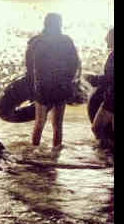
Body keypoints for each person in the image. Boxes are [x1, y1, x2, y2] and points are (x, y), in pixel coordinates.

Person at [27, 13, 80, 147]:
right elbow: (75, 63)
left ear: (45, 24)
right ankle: (55, 154)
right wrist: (69, 80)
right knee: (58, 124)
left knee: (39, 122)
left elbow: (28, 65)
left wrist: (31, 86)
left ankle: (33, 154)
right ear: (59, 24)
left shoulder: (36, 41)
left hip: (42, 86)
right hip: (60, 85)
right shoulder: (66, 41)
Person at [90, 28, 114, 143]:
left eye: (108, 36)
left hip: (111, 98)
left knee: (97, 128)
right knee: (97, 128)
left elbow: (111, 77)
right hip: (110, 97)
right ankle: (106, 152)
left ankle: (106, 154)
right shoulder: (112, 54)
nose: (105, 38)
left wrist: (94, 79)